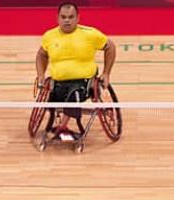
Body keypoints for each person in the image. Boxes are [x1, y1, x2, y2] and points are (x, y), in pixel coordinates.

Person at [35, 1, 117, 139]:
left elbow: (111, 47)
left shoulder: (90, 34)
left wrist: (106, 73)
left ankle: (61, 127)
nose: (67, 20)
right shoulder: (49, 36)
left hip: (83, 83)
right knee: (51, 99)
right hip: (58, 83)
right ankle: (60, 125)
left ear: (78, 18)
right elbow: (41, 55)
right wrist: (41, 75)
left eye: (71, 17)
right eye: (63, 17)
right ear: (58, 18)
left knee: (74, 96)